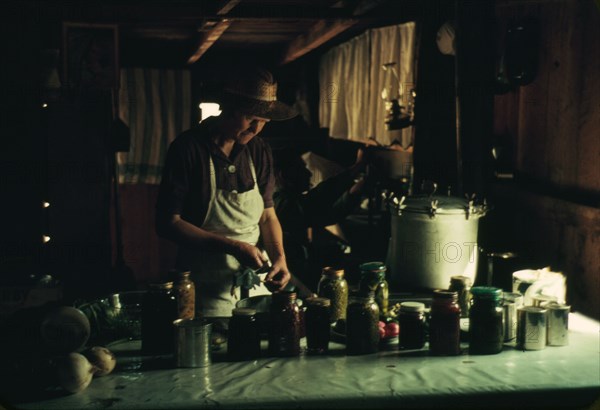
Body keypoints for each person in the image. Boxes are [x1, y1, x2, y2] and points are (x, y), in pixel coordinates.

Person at [155, 67, 296, 319]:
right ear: (228, 108)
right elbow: (168, 223)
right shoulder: (188, 149)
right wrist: (233, 247)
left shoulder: (258, 150)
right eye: (250, 118)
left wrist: (279, 258)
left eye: (264, 122)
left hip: (250, 283)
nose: (256, 128)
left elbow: (267, 215)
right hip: (199, 284)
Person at [273, 148, 367, 290]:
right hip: (289, 282)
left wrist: (355, 191)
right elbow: (316, 201)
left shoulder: (286, 200)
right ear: (283, 175)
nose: (309, 173)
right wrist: (356, 168)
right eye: (301, 169)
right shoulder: (280, 203)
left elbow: (325, 215)